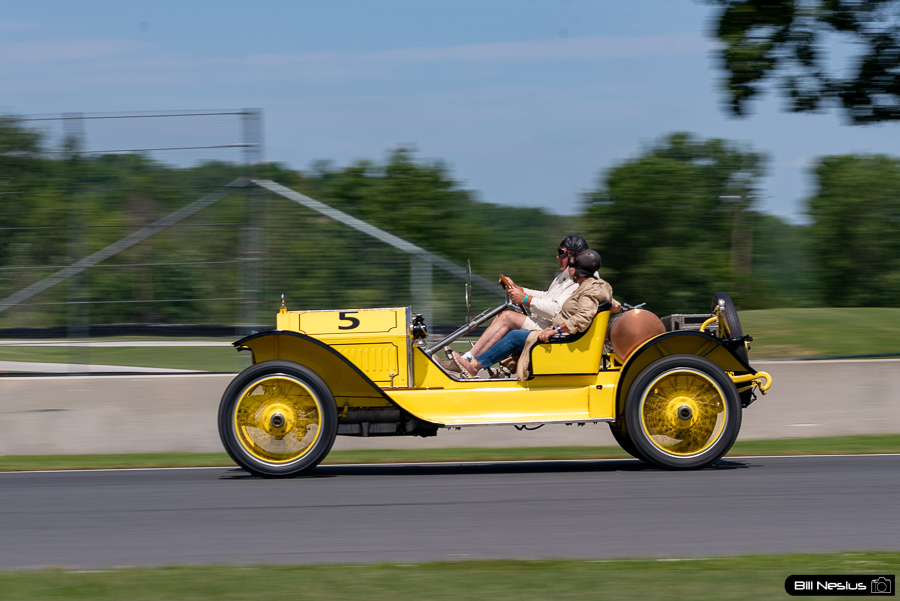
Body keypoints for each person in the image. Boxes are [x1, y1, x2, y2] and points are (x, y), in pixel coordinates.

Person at [436, 235, 589, 374]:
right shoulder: (566, 275)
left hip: (552, 328)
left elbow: (556, 311)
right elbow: (547, 296)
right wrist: (520, 290)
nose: (557, 256)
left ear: (573, 256)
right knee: (503, 315)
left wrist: (525, 299)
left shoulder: (577, 280)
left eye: (561, 252)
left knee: (507, 317)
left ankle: (470, 360)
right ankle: (470, 358)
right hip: (546, 323)